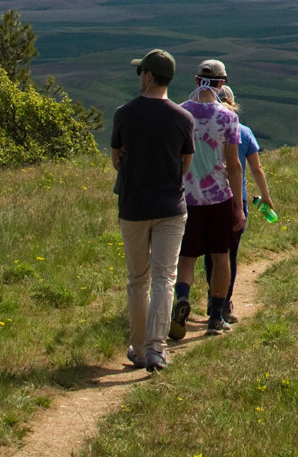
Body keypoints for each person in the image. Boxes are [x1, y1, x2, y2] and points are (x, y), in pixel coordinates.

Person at [109, 48, 193, 372]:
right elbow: (184, 165)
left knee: (137, 280)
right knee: (164, 279)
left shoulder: (124, 114)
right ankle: (157, 349)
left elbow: (116, 158)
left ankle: (140, 348)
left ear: (147, 76)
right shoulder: (183, 118)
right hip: (171, 207)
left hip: (133, 207)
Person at [170, 61, 244, 337]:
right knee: (220, 256)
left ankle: (183, 299)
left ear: (196, 80)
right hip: (218, 197)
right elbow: (233, 165)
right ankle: (215, 316)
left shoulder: (180, 112)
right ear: (222, 84)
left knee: (186, 257)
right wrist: (238, 205)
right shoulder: (228, 117)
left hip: (186, 197)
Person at [207, 84, 272, 323]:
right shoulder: (243, 131)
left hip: (207, 196)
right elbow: (256, 168)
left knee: (211, 253)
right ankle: (223, 304)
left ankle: (211, 298)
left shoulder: (205, 128)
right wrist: (265, 196)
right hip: (236, 198)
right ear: (233, 103)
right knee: (229, 255)